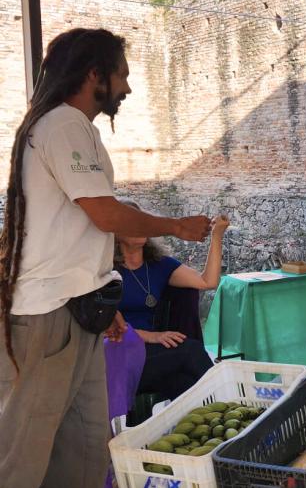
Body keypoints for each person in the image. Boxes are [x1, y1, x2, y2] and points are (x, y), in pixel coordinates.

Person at [0, 28, 211, 487]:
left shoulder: (74, 128)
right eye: (122, 76)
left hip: (78, 311)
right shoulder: (63, 125)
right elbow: (104, 214)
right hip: (46, 315)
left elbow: (76, 234)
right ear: (95, 74)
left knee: (84, 447)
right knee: (25, 451)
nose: (127, 88)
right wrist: (176, 226)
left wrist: (99, 297)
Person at [115, 201, 227, 401]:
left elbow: (207, 281)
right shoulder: (106, 272)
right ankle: (231, 402)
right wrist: (153, 336)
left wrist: (217, 236)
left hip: (153, 354)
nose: (141, 227)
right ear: (114, 233)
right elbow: (104, 326)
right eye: (132, 223)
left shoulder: (159, 266)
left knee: (185, 382)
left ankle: (229, 414)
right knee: (191, 351)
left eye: (143, 221)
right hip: (119, 353)